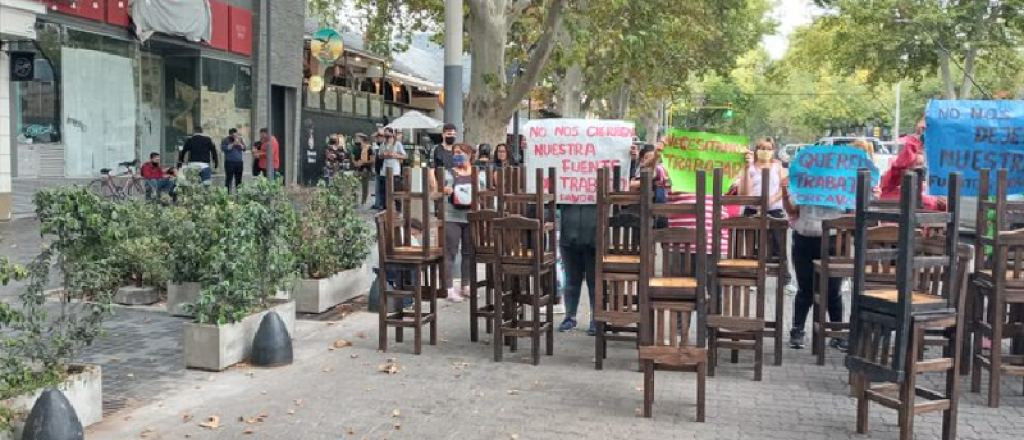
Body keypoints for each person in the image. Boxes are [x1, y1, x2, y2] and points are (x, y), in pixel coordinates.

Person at [783, 138, 878, 352]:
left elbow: (855, 216)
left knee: (833, 290)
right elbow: (791, 210)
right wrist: (784, 192)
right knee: (805, 289)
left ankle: (836, 332)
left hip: (836, 240)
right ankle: (797, 330)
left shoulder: (845, 183)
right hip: (806, 236)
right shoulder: (806, 182)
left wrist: (866, 198)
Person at [442, 144, 487, 302]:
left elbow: (484, 192)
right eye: (455, 153)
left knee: (469, 253)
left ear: (469, 155)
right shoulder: (449, 173)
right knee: (450, 253)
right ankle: (448, 289)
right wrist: (446, 190)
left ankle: (466, 285)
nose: (457, 156)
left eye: (460, 153)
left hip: (471, 217)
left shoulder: (478, 174)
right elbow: (443, 188)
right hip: (452, 217)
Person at [880, 119, 944, 210]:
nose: (919, 167)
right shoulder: (893, 180)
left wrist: (941, 203)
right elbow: (901, 165)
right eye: (916, 163)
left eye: (921, 164)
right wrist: (917, 138)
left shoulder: (926, 187)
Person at [738, 137, 787, 255]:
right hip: (753, 211)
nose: (765, 151)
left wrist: (771, 200)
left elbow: (784, 188)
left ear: (773, 151)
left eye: (769, 149)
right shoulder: (749, 168)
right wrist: (746, 168)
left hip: (774, 211)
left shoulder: (778, 167)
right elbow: (744, 193)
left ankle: (782, 271)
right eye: (762, 148)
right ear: (756, 150)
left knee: (778, 247)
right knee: (753, 248)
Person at [377, 128, 406, 210]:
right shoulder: (383, 144)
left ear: (392, 134)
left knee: (396, 191)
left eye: (388, 134)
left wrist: (394, 155)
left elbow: (404, 156)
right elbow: (379, 156)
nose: (386, 136)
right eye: (385, 135)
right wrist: (384, 155)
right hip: (384, 171)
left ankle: (398, 208)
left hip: (395, 171)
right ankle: (384, 208)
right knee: (383, 191)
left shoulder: (397, 144)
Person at [352, 133, 374, 206]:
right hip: (357, 169)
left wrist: (363, 162)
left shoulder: (369, 148)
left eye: (357, 137)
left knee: (365, 186)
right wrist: (355, 162)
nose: (355, 139)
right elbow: (353, 157)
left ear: (361, 139)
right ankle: (354, 202)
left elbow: (372, 160)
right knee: (354, 185)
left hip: (365, 169)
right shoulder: (356, 147)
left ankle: (363, 202)